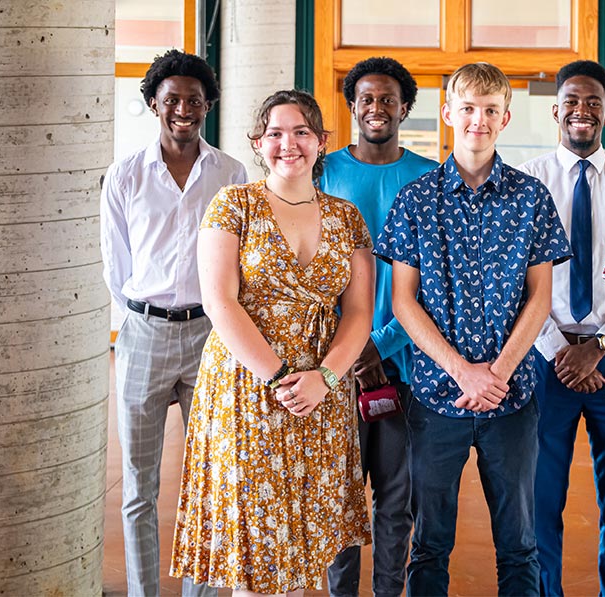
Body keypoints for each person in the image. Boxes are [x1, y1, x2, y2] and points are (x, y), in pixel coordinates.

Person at [374, 62, 571, 596]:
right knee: (430, 544)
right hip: (437, 398)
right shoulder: (415, 199)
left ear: (505, 118)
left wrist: (498, 374)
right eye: (467, 109)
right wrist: (464, 373)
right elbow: (404, 302)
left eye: (489, 111)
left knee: (520, 544)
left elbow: (541, 298)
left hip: (514, 398)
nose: (477, 120)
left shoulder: (532, 198)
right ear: (447, 115)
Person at [169, 89, 373, 595]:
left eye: (301, 131)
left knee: (305, 541)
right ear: (258, 144)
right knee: (256, 548)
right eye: (275, 133)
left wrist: (324, 378)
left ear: (322, 141)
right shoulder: (233, 204)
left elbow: (360, 312)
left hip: (321, 394)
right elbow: (219, 302)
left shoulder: (347, 217)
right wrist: (282, 378)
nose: (289, 144)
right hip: (249, 386)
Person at [100, 49, 247, 597]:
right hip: (143, 335)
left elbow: (239, 261)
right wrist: (145, 315)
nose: (182, 108)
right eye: (171, 100)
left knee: (210, 479)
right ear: (153, 105)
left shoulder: (231, 173)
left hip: (212, 336)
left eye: (193, 99)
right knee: (139, 485)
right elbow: (116, 266)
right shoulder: (125, 174)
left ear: (207, 104)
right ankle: (144, 591)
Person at [517, 60, 605, 596]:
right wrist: (557, 348)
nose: (582, 111)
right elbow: (516, 279)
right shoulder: (527, 184)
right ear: (555, 110)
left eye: (593, 102)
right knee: (540, 494)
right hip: (544, 360)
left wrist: (602, 345)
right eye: (572, 100)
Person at [320, 57, 437, 597]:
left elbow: (438, 279)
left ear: (405, 108)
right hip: (334, 361)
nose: (376, 108)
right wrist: (352, 348)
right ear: (352, 107)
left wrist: (381, 344)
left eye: (387, 99)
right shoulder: (324, 172)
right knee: (340, 499)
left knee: (397, 499)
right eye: (366, 99)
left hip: (407, 362)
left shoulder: (430, 177)